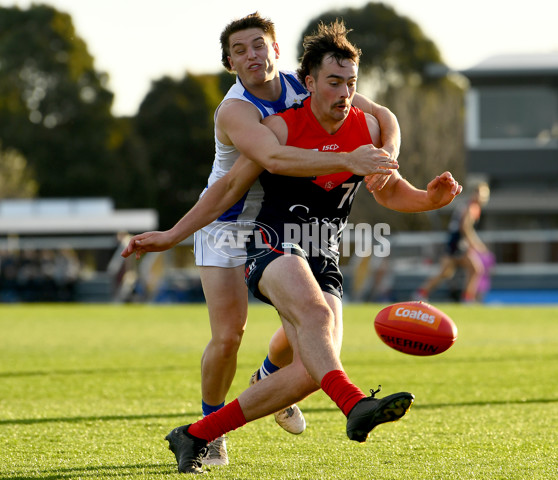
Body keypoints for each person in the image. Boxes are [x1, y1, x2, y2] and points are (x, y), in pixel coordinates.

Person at [160, 20, 462, 474]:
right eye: (334, 82)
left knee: (311, 369)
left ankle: (198, 433)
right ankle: (352, 403)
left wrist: (426, 197)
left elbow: (385, 156)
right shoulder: (262, 121)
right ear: (310, 84)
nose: (343, 92)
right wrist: (169, 236)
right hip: (256, 234)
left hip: (322, 249)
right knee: (241, 333)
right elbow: (235, 185)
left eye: (350, 83)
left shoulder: (348, 113)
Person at [121, 12, 401, 466]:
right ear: (230, 63)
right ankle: (211, 430)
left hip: (282, 224)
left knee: (307, 336)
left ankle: (267, 378)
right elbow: (270, 158)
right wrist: (173, 235)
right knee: (229, 334)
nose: (251, 55)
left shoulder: (307, 83)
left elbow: (383, 114)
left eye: (258, 45)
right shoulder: (235, 110)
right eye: (239, 50)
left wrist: (386, 155)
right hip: (226, 222)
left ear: (275, 49)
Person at [415, 182, 491, 302]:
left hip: (455, 244)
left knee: (446, 272)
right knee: (476, 270)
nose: (481, 197)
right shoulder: (470, 207)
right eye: (480, 194)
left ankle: (421, 292)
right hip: (457, 245)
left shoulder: (470, 207)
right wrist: (477, 245)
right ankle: (467, 299)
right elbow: (465, 228)